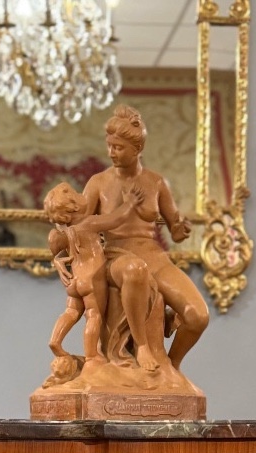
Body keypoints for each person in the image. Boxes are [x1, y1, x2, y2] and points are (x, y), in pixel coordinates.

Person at [81, 104, 209, 371]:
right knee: (134, 270)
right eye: (110, 146)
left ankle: (173, 366)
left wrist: (180, 229)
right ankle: (141, 346)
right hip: (115, 256)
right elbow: (82, 227)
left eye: (118, 148)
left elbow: (174, 224)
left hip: (154, 256)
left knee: (197, 316)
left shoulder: (157, 183)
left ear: (137, 149)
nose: (111, 153)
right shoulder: (97, 183)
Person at [43, 180, 159, 372]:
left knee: (71, 313)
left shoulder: (66, 232)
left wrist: (56, 260)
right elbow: (115, 219)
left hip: (74, 280)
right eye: (78, 195)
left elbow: (57, 251)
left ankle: (55, 341)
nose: (83, 196)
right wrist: (130, 203)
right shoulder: (89, 223)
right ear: (73, 207)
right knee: (93, 315)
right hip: (92, 278)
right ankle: (91, 356)